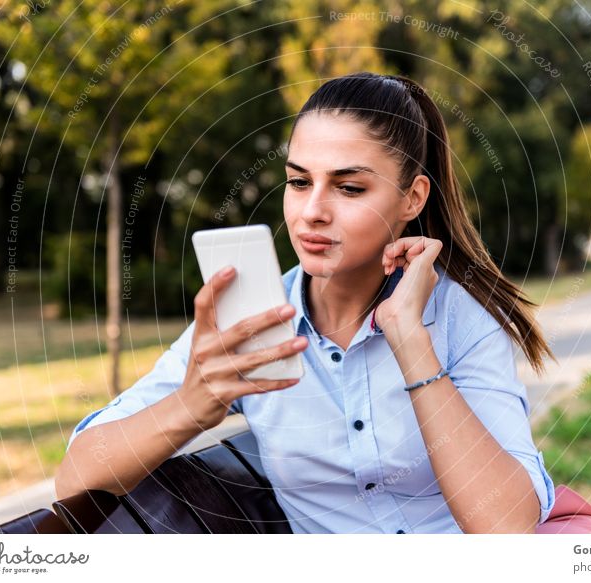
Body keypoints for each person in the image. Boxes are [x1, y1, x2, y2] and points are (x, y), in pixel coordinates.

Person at [55, 71, 557, 534]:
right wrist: (194, 402)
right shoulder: (253, 320)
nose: (311, 212)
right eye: (299, 182)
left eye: (349, 187)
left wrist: (409, 339)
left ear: (413, 198)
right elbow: (75, 477)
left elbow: (506, 530)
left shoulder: (461, 318)